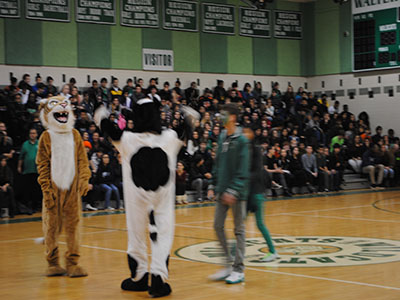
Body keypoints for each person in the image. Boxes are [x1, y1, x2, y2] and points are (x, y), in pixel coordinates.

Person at [207, 103, 249, 284]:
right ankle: (227, 265)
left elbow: (244, 170)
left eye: (223, 114)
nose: (220, 117)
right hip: (221, 191)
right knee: (217, 226)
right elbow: (217, 164)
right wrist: (212, 184)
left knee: (239, 230)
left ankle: (239, 270)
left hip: (237, 194)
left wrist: (233, 190)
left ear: (232, 117)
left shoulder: (242, 140)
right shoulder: (222, 136)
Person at [243, 127, 279, 262]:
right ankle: (235, 253)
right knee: (240, 224)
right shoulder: (245, 151)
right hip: (248, 194)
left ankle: (273, 251)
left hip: (256, 194)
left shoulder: (256, 151)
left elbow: (256, 173)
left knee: (259, 224)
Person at [18, 128, 41, 214]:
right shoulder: (25, 144)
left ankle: (35, 207)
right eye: (31, 133)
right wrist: (19, 166)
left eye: (34, 133)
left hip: (37, 171)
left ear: (36, 135)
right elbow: (21, 157)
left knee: (36, 190)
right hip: (27, 171)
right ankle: (28, 207)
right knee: (28, 190)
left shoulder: (39, 143)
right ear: (29, 134)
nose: (32, 135)